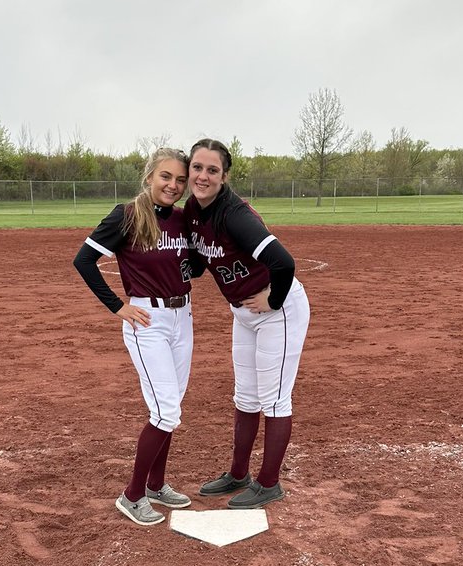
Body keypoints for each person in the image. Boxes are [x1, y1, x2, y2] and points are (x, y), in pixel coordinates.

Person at [184, 138, 310, 509]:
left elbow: (284, 263)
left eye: (212, 170)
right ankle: (239, 473)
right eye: (197, 167)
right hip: (243, 314)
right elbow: (195, 265)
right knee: (246, 396)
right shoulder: (193, 210)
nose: (202, 176)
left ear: (224, 177)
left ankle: (268, 483)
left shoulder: (234, 215)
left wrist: (273, 299)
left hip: (279, 312)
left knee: (273, 399)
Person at [73, 148, 194, 527]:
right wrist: (118, 307)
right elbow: (84, 261)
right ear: (149, 176)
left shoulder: (181, 220)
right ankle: (133, 494)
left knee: (169, 406)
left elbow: (195, 264)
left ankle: (157, 484)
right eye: (165, 176)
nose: (172, 185)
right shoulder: (126, 215)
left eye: (179, 179)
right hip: (148, 321)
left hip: (183, 317)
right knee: (166, 411)